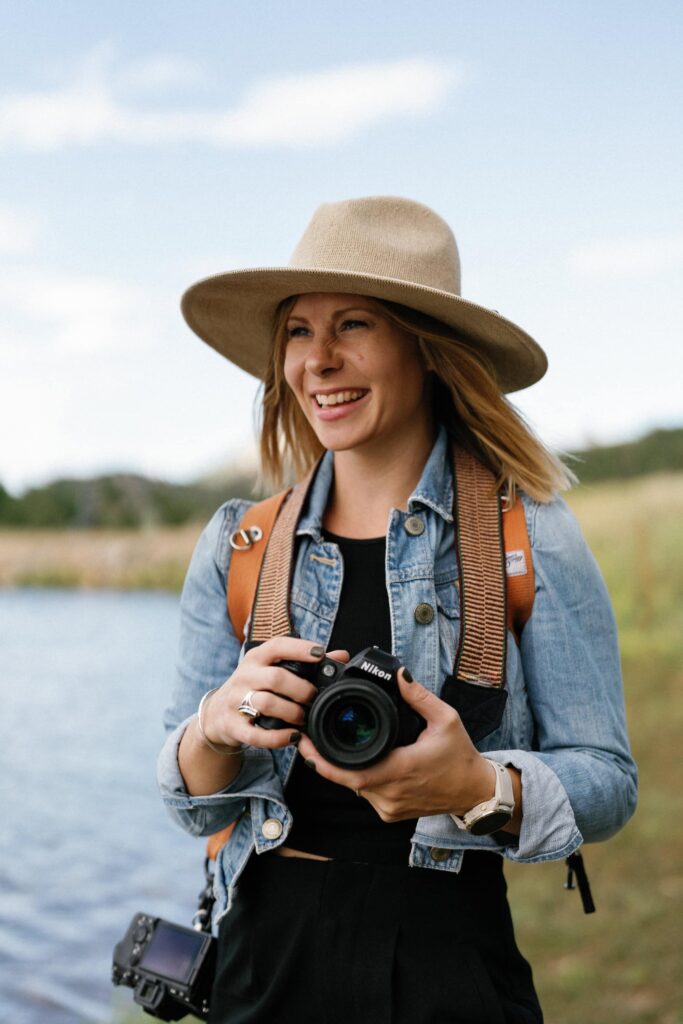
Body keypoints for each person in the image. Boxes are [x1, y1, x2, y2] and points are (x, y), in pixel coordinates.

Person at [158, 196, 637, 1023]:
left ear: (428, 349)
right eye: (298, 332)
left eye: (354, 325)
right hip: (262, 959)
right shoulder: (239, 544)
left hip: (449, 961)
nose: (318, 361)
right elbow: (190, 802)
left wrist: (478, 784)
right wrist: (213, 726)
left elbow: (608, 780)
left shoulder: (528, 533)